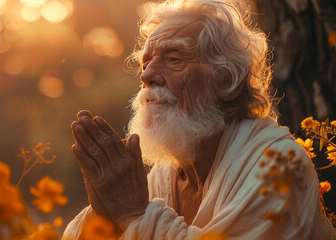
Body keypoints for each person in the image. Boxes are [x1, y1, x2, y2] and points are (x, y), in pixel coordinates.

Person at [63, 0, 335, 239]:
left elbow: (136, 217)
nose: (146, 76)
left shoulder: (278, 162)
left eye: (173, 58)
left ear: (227, 80)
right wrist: (105, 218)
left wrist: (133, 214)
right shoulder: (163, 177)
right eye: (145, 64)